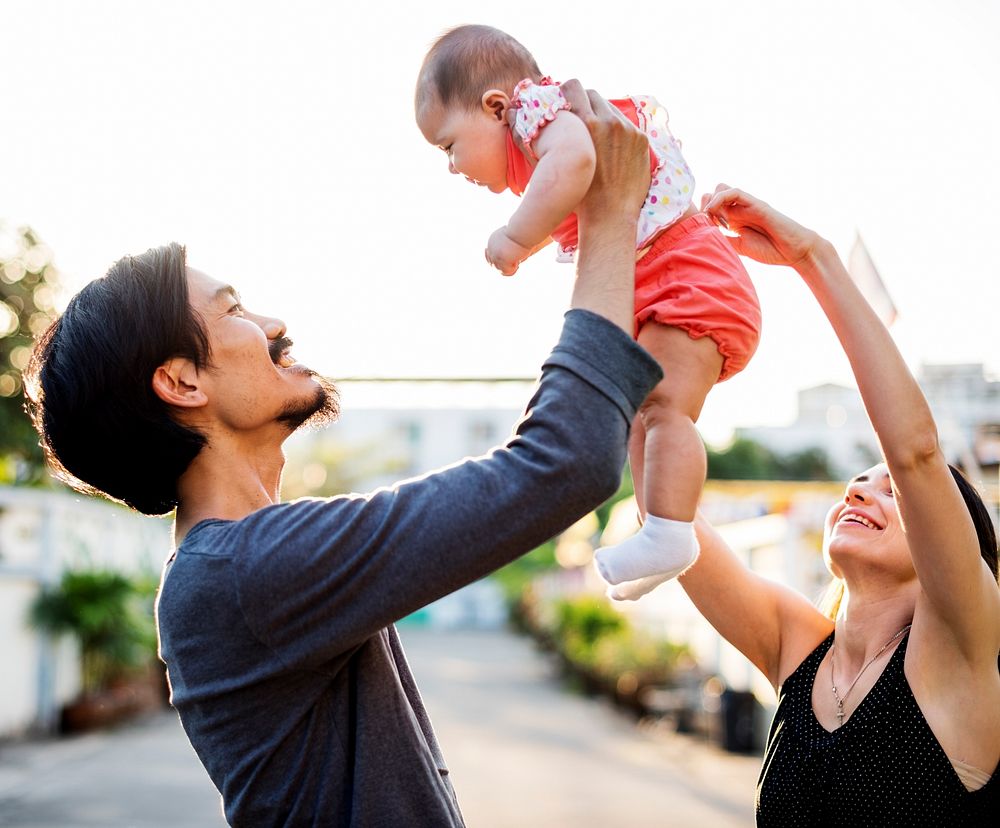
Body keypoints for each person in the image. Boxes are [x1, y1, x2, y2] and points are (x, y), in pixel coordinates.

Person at [22, 86, 661, 825]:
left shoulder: (243, 565)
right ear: (180, 381)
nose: (273, 322)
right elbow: (563, 462)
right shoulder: (249, 572)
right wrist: (609, 213)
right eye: (232, 309)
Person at [678, 185, 999, 825]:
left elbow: (915, 453)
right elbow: (666, 522)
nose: (860, 490)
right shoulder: (802, 651)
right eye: (860, 480)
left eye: (891, 492)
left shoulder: (960, 654)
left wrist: (811, 256)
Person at [415, 25, 762, 601]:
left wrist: (516, 237)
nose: (452, 167)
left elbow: (574, 162)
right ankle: (661, 534)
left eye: (449, 145)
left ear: (495, 106)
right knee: (637, 416)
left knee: (666, 408)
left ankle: (672, 534)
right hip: (665, 278)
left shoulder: (536, 114)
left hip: (686, 273)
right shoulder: (535, 139)